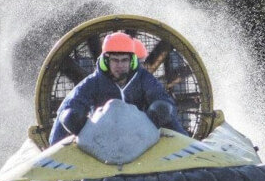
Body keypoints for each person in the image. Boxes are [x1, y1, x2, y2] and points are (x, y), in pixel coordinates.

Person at [49, 31, 188, 145]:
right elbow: (67, 110)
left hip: (142, 140)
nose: (119, 65)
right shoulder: (93, 83)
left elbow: (164, 103)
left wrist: (185, 144)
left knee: (163, 108)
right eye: (115, 60)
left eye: (124, 60)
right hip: (100, 143)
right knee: (69, 115)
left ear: (132, 61)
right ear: (105, 61)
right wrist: (52, 150)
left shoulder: (144, 79)